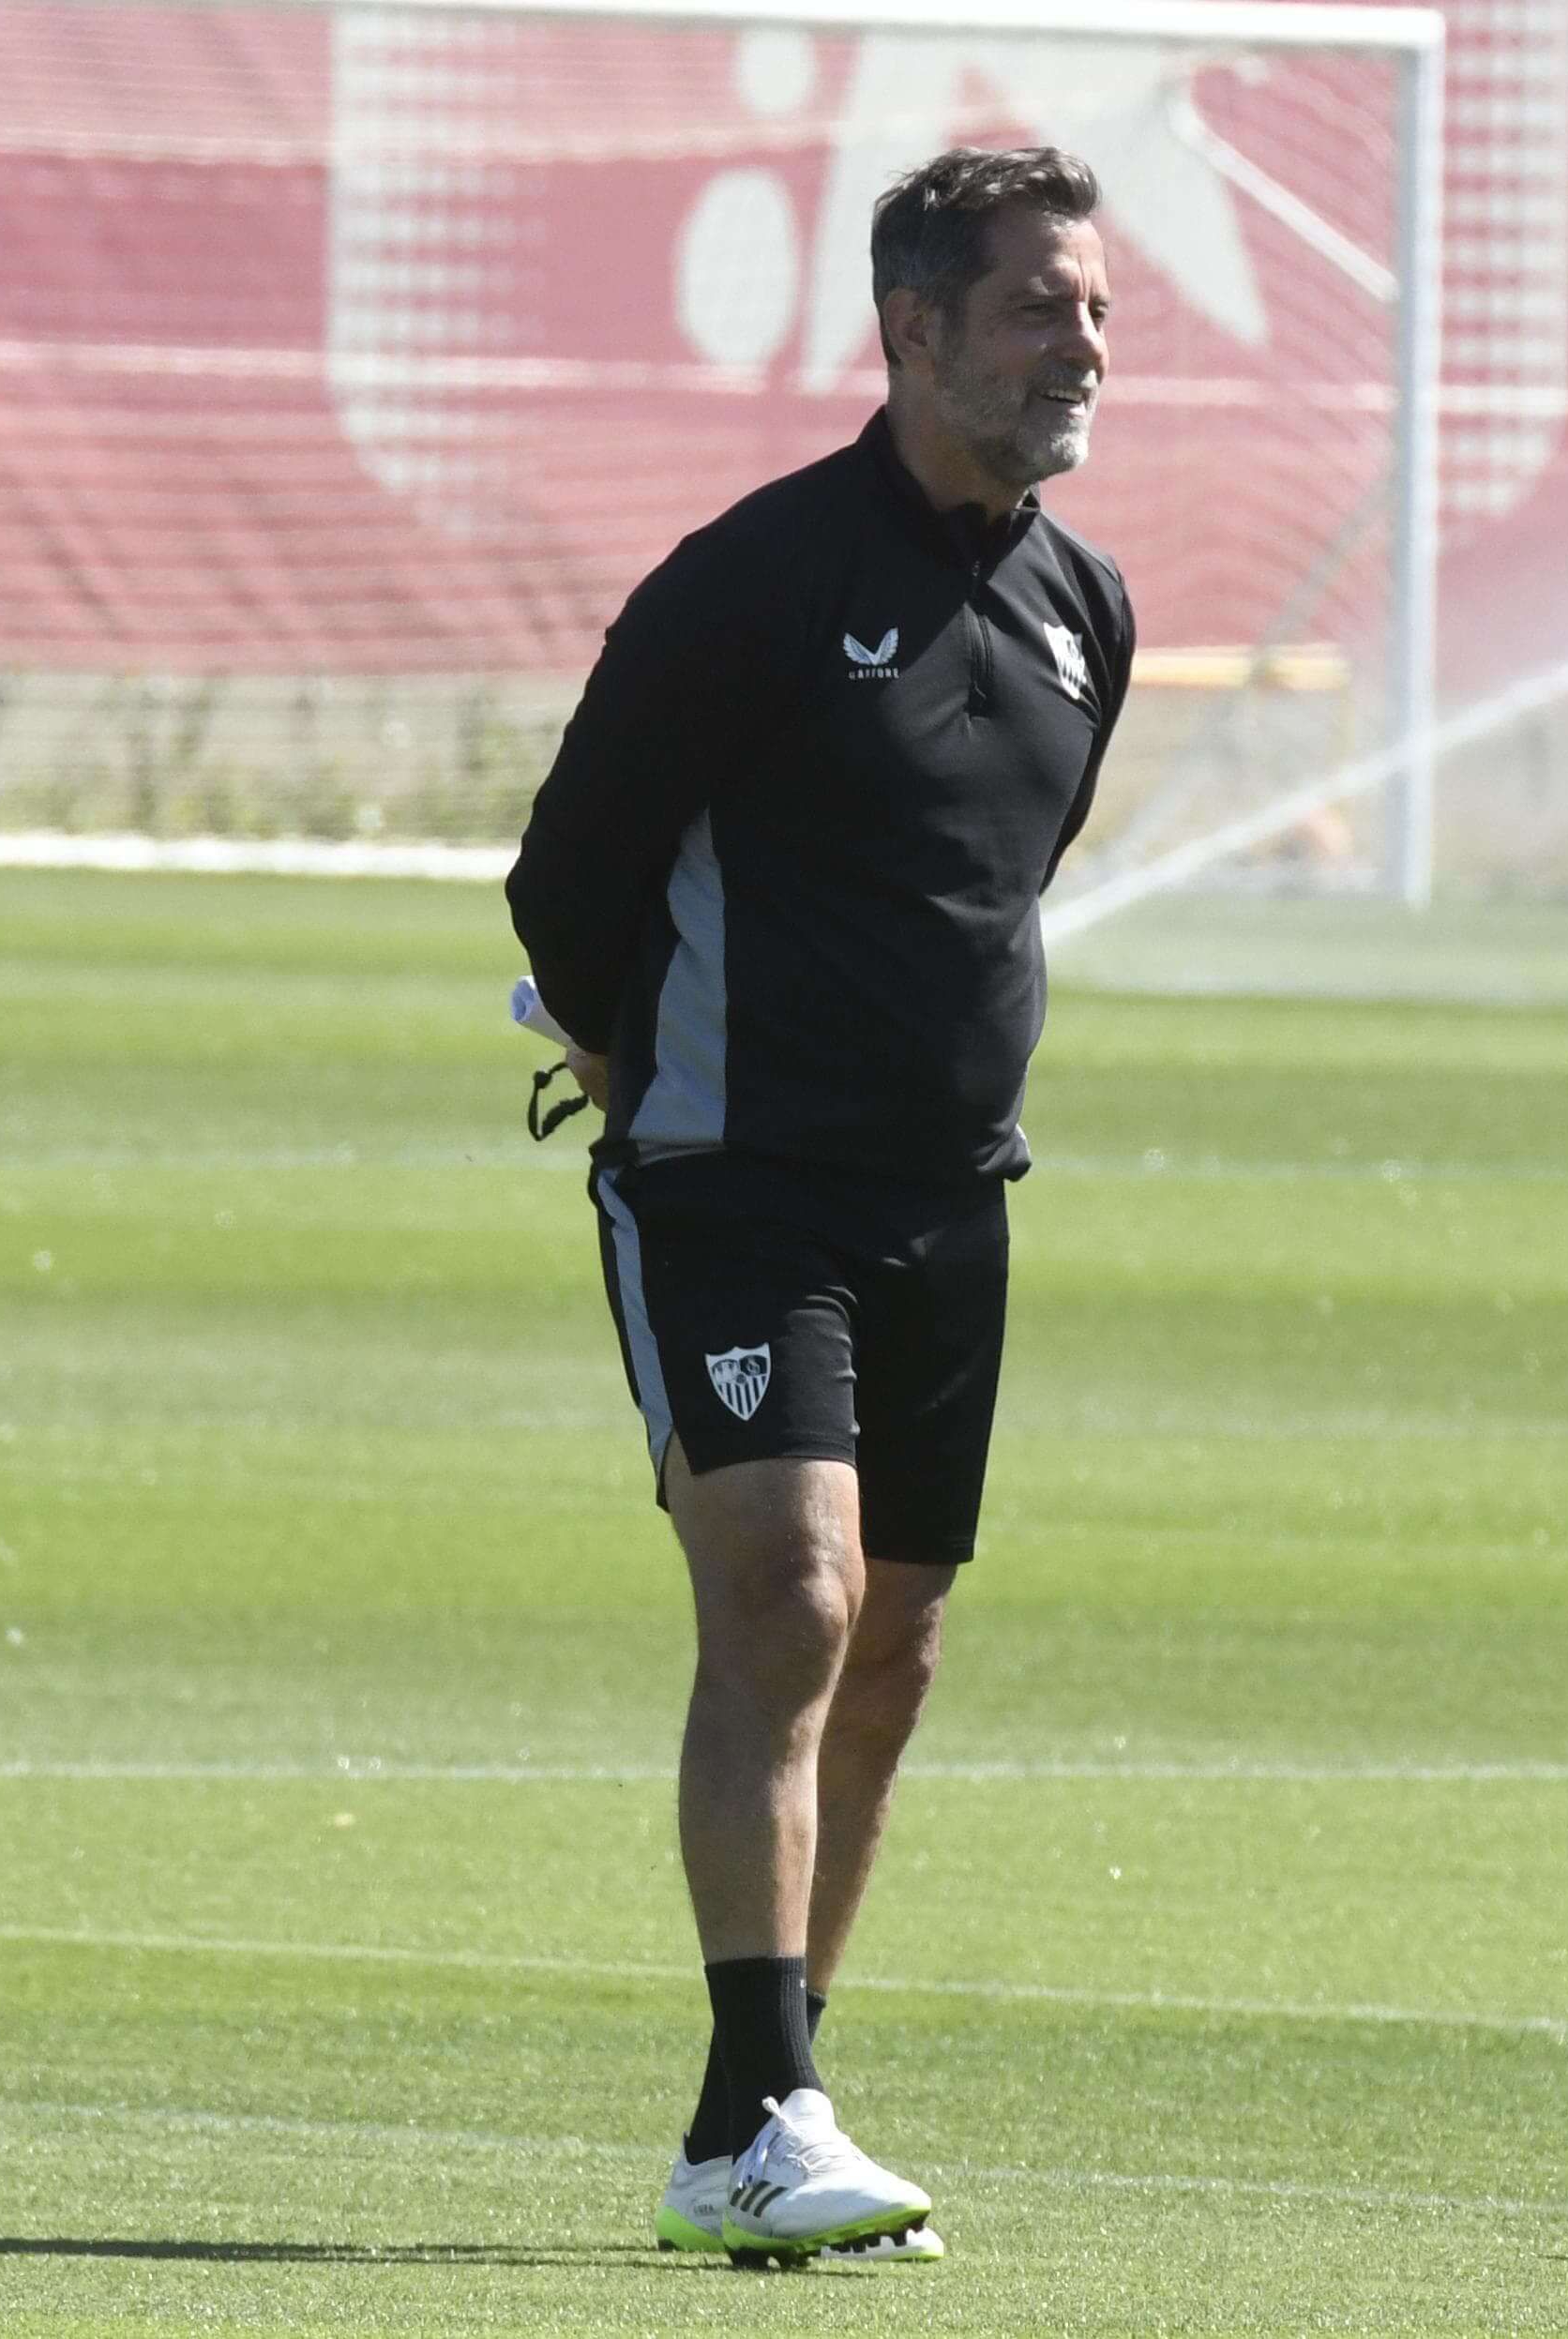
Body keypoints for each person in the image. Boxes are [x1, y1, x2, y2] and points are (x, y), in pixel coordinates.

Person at [504, 145, 1132, 2269]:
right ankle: (758, 2115)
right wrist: (646, 1080)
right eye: (1037, 307)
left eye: (1096, 309)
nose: (1081, 346)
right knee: (791, 1593)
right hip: (733, 1183)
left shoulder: (1084, 610)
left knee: (895, 1647)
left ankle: (779, 2097)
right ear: (916, 328)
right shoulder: (751, 581)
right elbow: (568, 879)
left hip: (954, 1207)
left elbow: (985, 891)